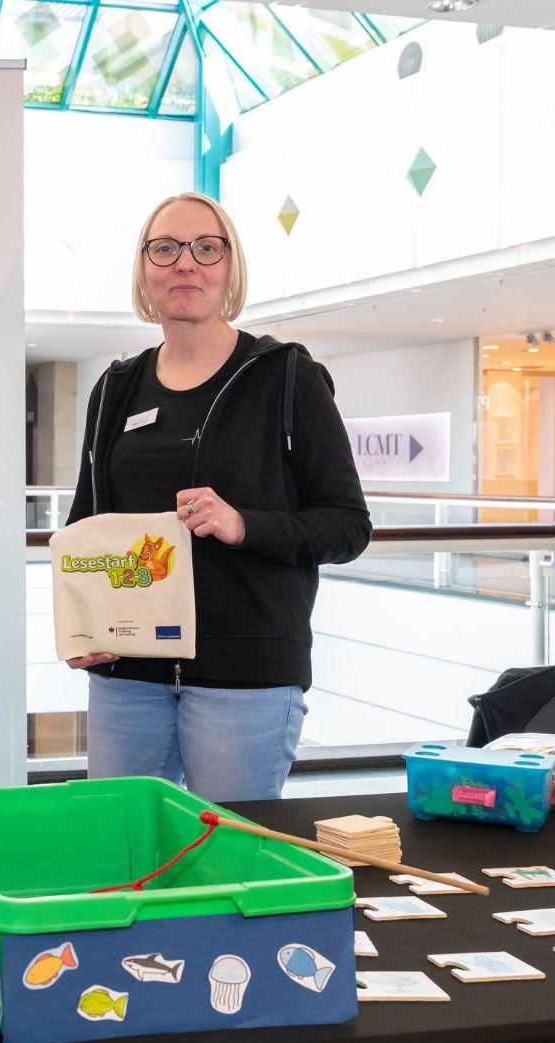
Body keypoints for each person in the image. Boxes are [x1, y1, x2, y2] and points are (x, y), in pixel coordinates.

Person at [66, 191, 371, 803]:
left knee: (227, 873)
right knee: (122, 859)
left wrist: (243, 525)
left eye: (207, 248)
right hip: (127, 675)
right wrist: (81, 626)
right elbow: (86, 523)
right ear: (144, 269)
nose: (186, 264)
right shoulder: (116, 387)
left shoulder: (286, 377)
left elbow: (346, 526)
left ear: (229, 267)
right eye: (166, 248)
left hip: (245, 680)